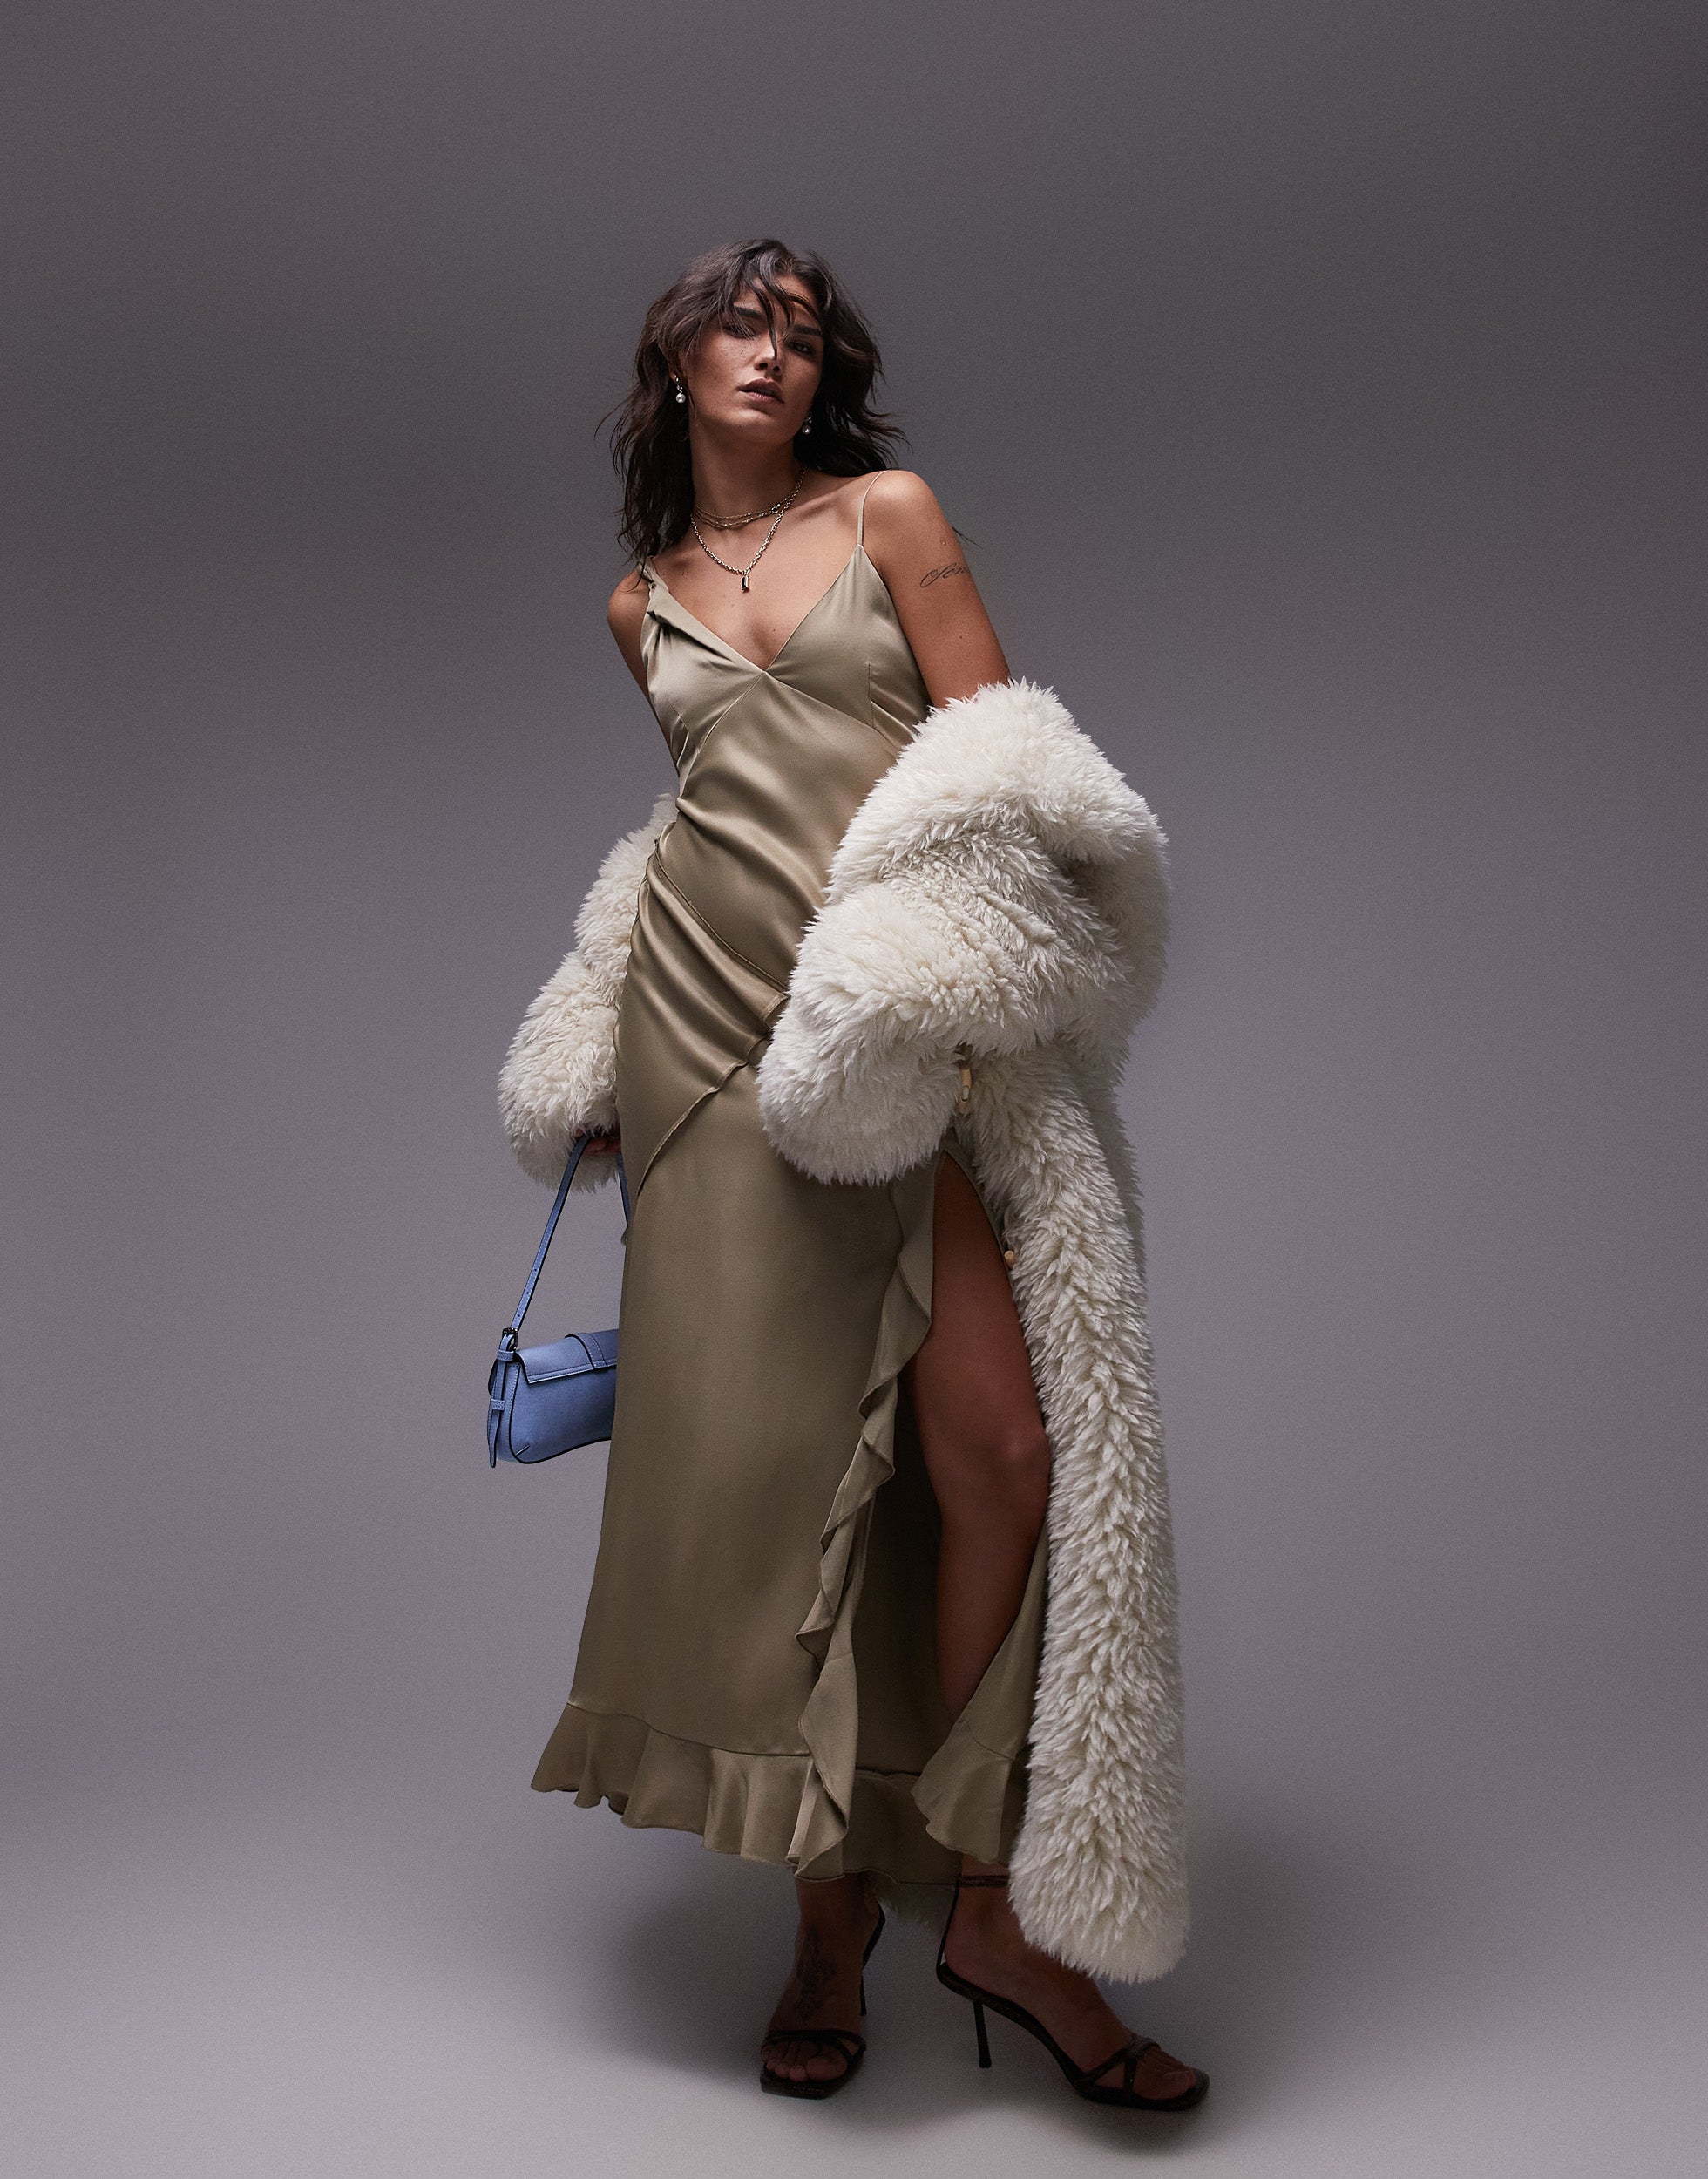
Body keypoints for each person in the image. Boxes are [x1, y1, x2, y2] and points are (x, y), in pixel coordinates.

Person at [498, 236, 1206, 2110]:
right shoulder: (638, 604)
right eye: (739, 322)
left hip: (888, 1039)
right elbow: (702, 824)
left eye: (801, 334)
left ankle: (984, 1902)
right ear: (672, 363)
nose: (772, 352)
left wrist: (956, 997)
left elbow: (1001, 767)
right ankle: (823, 1926)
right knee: (800, 1491)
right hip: (703, 1065)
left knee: (998, 1451)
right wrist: (603, 1044)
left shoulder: (890, 514)